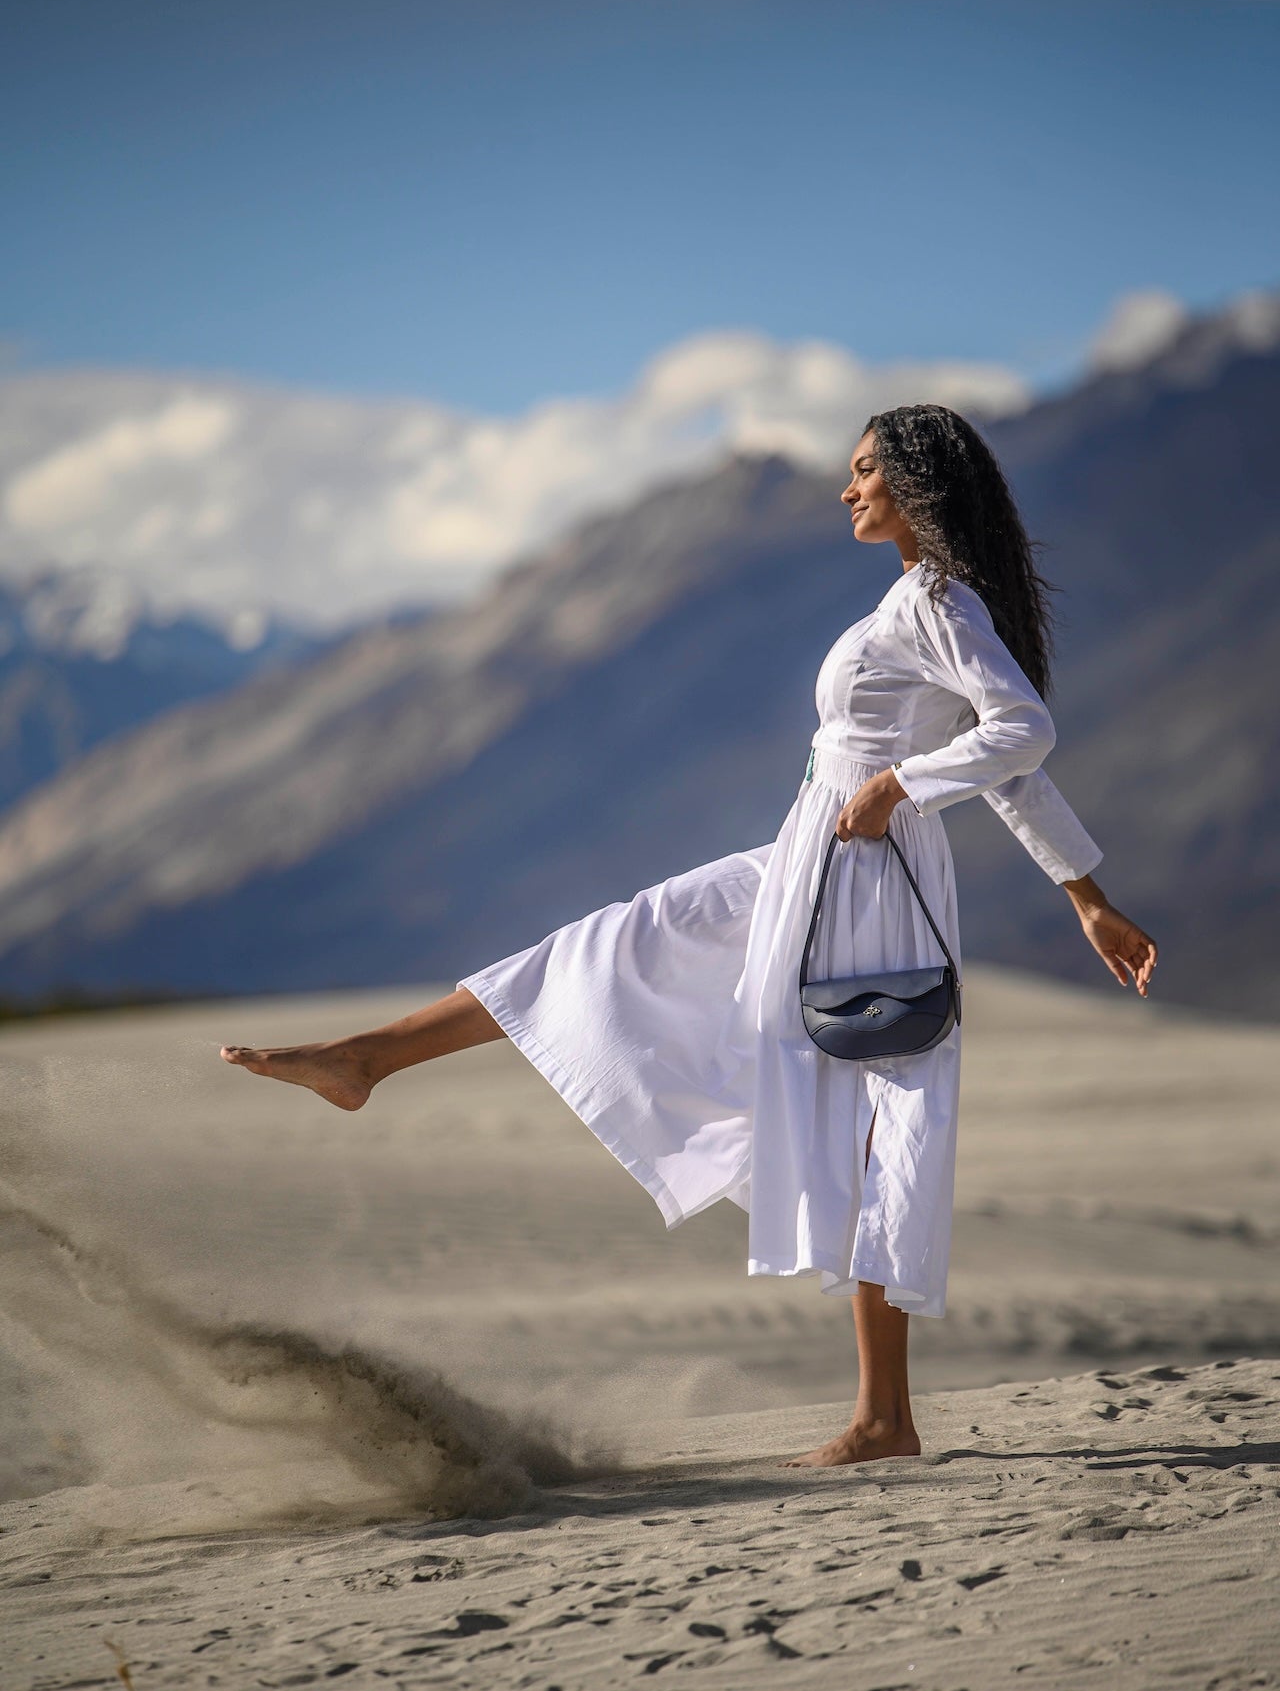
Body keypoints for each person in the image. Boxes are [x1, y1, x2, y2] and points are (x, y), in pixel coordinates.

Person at [221, 405, 1158, 1469]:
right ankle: (370, 1056)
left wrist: (903, 785)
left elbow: (1020, 734)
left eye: (863, 473)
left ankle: (883, 1418)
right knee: (617, 941)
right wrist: (1082, 893)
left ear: (915, 485)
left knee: (865, 1129)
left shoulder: (938, 602)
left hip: (859, 884)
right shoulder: (911, 601)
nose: (846, 490)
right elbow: (1007, 759)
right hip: (806, 860)